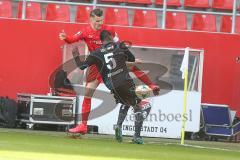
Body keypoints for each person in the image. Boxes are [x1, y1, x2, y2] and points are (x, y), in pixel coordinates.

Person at [59, 8, 159, 134]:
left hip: (111, 61)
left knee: (131, 66)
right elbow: (72, 39)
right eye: (97, 21)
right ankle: (83, 126)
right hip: (96, 65)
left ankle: (150, 85)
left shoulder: (108, 30)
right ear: (91, 19)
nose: (100, 23)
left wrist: (128, 58)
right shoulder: (85, 32)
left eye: (101, 20)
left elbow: (119, 44)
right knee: (88, 94)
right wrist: (65, 38)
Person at [72, 30, 157, 144]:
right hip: (124, 81)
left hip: (112, 86)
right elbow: (131, 59)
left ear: (101, 41)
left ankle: (118, 125)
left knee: (127, 101)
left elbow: (82, 67)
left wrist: (76, 56)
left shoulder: (96, 53)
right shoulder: (120, 46)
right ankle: (137, 137)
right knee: (139, 105)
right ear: (111, 37)